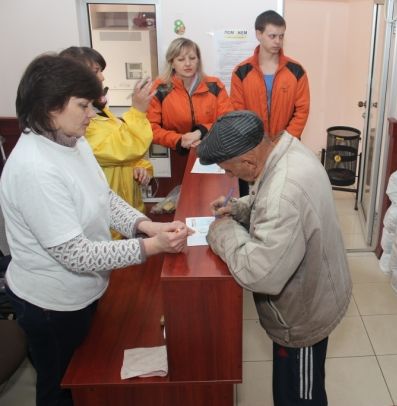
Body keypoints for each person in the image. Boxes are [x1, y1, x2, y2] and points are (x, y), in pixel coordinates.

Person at [0, 54, 191, 406]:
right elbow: (76, 254)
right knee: (61, 387)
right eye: (83, 105)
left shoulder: (73, 140)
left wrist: (145, 225)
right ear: (50, 106)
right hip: (51, 304)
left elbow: (103, 197)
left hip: (84, 291)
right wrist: (153, 246)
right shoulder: (34, 168)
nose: (92, 113)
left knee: (86, 377)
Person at [198, 111, 351, 406]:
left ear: (248, 161)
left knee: (300, 398)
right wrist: (240, 208)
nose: (229, 176)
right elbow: (272, 199)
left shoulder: (283, 192)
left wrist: (222, 232)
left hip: (303, 317)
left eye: (229, 170)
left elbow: (260, 274)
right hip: (316, 290)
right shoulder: (287, 152)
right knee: (288, 390)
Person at [59, 46, 154, 215]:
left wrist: (141, 167)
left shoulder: (100, 111)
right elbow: (123, 148)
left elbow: (128, 153)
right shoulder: (78, 125)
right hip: (108, 217)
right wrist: (138, 111)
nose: (102, 77)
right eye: (96, 71)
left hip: (127, 208)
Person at [230, 10, 310, 197]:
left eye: (281, 36)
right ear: (258, 34)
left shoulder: (296, 70)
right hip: (252, 149)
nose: (277, 42)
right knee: (250, 200)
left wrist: (282, 142)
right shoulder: (241, 72)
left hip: (286, 148)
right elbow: (237, 112)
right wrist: (260, 145)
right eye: (272, 36)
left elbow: (302, 110)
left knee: (282, 197)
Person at [147, 37, 233, 155]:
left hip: (213, 152)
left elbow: (228, 121)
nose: (188, 64)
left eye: (192, 58)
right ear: (172, 63)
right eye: (181, 59)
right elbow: (150, 128)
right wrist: (180, 140)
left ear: (198, 61)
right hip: (176, 153)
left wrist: (200, 132)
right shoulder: (160, 88)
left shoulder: (214, 85)